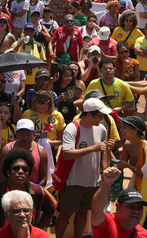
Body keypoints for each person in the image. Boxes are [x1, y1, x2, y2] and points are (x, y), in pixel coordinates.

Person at [55, 98, 113, 238]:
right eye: (100, 116)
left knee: (83, 213)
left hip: (93, 182)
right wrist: (93, 148)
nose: (103, 119)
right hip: (73, 182)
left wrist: (105, 169)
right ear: (88, 114)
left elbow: (103, 151)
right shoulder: (72, 127)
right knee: (65, 214)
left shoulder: (102, 129)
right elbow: (67, 154)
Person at [0, 148, 57, 235]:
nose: (20, 171)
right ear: (8, 172)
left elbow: (52, 206)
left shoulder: (37, 191)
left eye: (25, 169)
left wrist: (37, 229)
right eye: (15, 168)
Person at [91, 167, 147, 238]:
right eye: (131, 206)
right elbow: (96, 210)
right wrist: (107, 183)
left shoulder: (144, 235)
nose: (136, 211)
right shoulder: (107, 224)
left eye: (139, 208)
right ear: (118, 207)